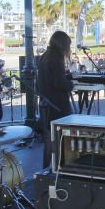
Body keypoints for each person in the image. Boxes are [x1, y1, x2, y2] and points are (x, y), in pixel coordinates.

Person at [37, 31, 75, 168]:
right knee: (61, 138)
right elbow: (59, 83)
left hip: (46, 103)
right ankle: (61, 167)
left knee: (49, 139)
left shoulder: (44, 57)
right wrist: (71, 84)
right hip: (58, 105)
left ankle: (46, 169)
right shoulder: (56, 58)